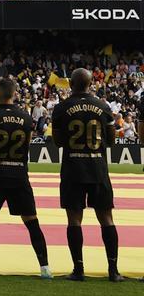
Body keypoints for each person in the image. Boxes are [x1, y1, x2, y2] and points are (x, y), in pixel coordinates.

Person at [0, 77, 50, 279]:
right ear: (14, 93)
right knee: (32, 222)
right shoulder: (26, 118)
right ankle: (45, 268)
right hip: (19, 176)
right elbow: (28, 143)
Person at [51, 68, 122, 282]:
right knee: (106, 218)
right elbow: (111, 141)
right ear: (91, 84)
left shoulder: (62, 108)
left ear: (71, 84)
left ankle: (78, 270)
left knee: (74, 219)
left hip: (73, 168)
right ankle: (113, 271)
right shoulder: (103, 106)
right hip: (98, 168)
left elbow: (58, 141)